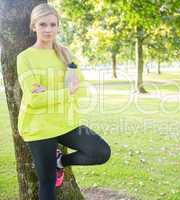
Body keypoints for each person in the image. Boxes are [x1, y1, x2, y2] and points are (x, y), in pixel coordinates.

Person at [16, 3, 111, 200]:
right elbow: (34, 99)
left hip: (65, 122)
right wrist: (66, 92)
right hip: (38, 125)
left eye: (52, 24)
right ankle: (53, 167)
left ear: (58, 26)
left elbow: (81, 87)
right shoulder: (24, 58)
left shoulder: (66, 54)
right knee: (48, 182)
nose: (48, 29)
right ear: (34, 26)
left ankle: (60, 161)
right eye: (43, 24)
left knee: (101, 151)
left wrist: (50, 93)